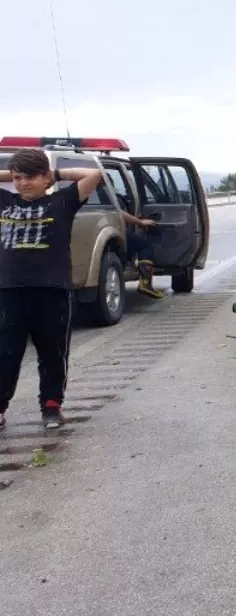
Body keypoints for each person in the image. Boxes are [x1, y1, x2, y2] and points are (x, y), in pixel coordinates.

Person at [0, 150, 104, 430]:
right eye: (18, 178)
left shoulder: (62, 202)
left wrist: (54, 176)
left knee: (52, 352)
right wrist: (14, 174)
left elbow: (94, 174)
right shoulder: (5, 200)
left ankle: (51, 407)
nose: (22, 183)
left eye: (30, 177)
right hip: (9, 291)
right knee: (6, 352)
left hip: (52, 291)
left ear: (45, 177)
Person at [118, 207, 165, 299]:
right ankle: (146, 283)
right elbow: (118, 212)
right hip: (114, 230)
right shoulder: (96, 194)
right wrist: (140, 222)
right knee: (144, 246)